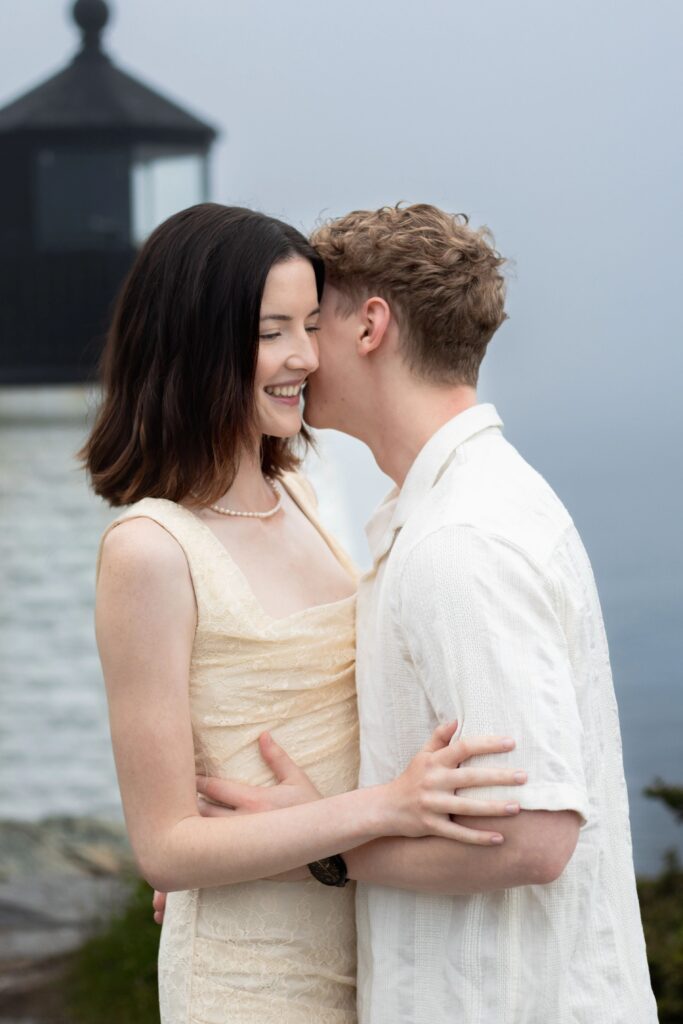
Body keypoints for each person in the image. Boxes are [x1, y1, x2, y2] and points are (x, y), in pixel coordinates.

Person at [164, 204, 657, 1022]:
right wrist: (242, 845)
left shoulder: (458, 541)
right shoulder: (461, 507)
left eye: (312, 322)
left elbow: (534, 838)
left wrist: (312, 851)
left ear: (369, 327)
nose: (298, 354)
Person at [81, 203, 527, 1024]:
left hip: (376, 943)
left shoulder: (301, 494)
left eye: (312, 325)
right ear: (192, 342)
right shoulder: (150, 549)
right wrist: (385, 805)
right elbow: (166, 845)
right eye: (271, 331)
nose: (305, 356)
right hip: (249, 978)